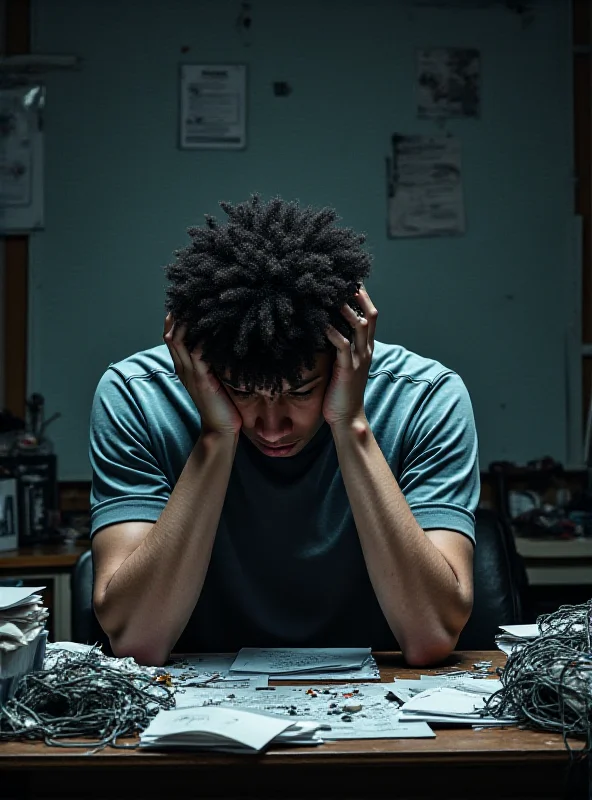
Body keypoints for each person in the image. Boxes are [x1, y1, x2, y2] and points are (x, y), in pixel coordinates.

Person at [90, 195, 479, 667]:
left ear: (345, 353)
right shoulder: (137, 396)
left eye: (300, 391)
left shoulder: (426, 399)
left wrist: (350, 424)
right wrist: (216, 435)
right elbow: (136, 642)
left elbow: (432, 636)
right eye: (240, 390)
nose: (271, 427)